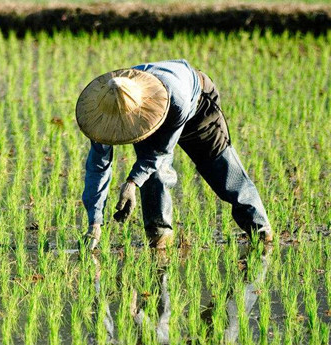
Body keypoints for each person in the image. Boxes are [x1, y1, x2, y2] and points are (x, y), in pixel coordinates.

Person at [75, 59, 273, 249]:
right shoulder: (101, 114)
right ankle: (159, 239)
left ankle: (260, 229)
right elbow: (97, 166)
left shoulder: (176, 99)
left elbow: (160, 152)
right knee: (154, 175)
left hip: (196, 104)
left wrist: (132, 183)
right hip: (148, 110)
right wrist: (95, 222)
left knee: (219, 166)